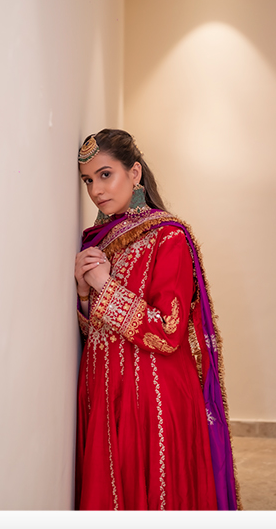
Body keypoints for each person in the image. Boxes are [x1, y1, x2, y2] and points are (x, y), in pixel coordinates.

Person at [74, 129, 240, 510]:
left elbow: (168, 332)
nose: (96, 189)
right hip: (105, 391)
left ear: (134, 174)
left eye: (105, 174)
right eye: (88, 180)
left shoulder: (167, 238)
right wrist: (84, 294)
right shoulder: (97, 241)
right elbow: (96, 332)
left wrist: (102, 282)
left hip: (153, 398)